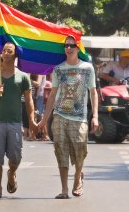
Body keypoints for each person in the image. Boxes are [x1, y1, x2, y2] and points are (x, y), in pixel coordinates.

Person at [38, 36, 99, 199]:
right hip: (60, 115)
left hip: (80, 118)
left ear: (78, 48)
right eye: (66, 45)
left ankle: (78, 176)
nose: (69, 48)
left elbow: (93, 92)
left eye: (72, 45)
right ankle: (64, 189)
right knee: (61, 152)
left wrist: (96, 117)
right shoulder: (58, 69)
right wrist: (45, 119)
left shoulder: (87, 68)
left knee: (80, 151)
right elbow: (52, 95)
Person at [0, 42, 37, 198]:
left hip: (15, 123)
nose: (6, 53)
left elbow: (29, 100)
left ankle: (11, 173)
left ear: (15, 55)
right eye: (4, 50)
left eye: (9, 51)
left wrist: (31, 121)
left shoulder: (23, 76)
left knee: (16, 157)